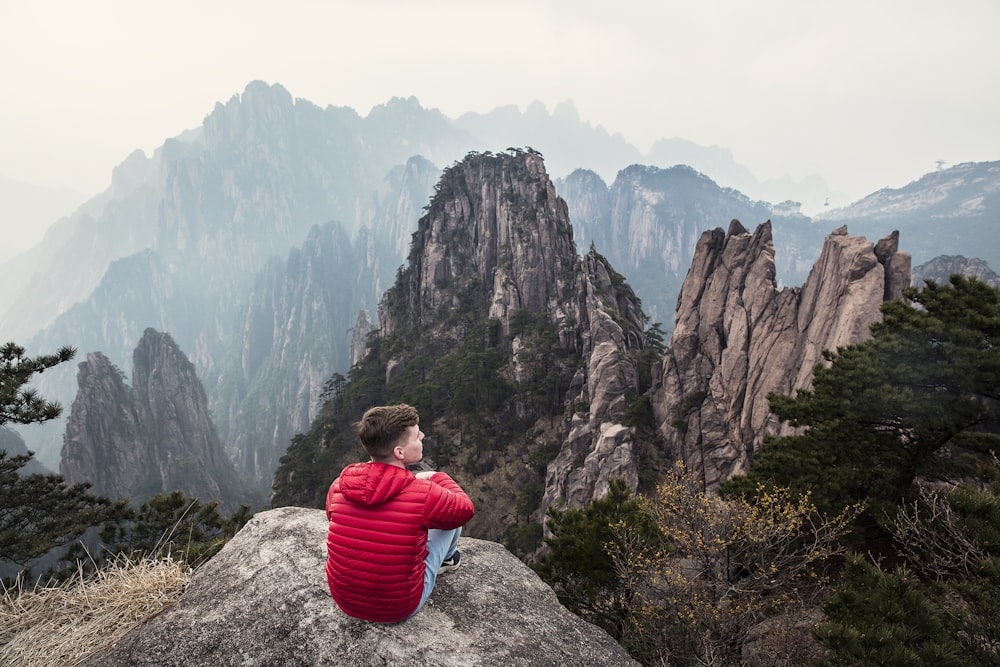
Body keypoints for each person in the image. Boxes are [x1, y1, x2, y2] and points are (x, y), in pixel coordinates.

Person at [325, 403, 475, 622]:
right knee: (449, 518)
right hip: (398, 607)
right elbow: (464, 509)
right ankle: (447, 560)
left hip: (345, 600)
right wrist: (436, 477)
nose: (423, 435)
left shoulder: (340, 484)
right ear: (399, 452)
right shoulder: (423, 493)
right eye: (416, 436)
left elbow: (332, 516)